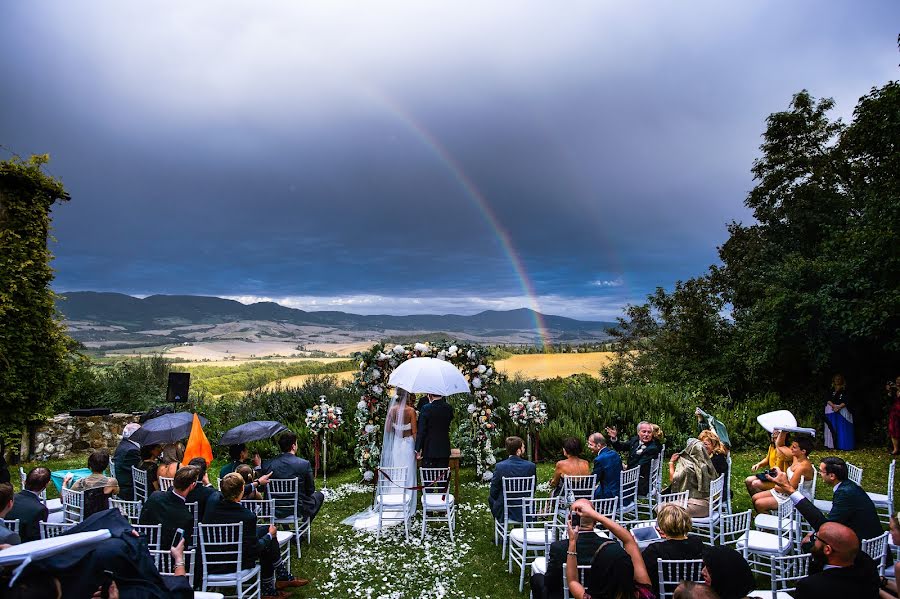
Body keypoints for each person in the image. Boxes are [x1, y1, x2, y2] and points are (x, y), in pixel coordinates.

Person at [204, 472, 308, 598]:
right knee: (268, 538)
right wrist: (270, 536)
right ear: (241, 490)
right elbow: (255, 548)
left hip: (212, 560)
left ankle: (281, 576)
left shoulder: (212, 501)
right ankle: (270, 587)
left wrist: (257, 483)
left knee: (265, 530)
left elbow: (230, 491)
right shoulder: (247, 516)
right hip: (236, 562)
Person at [343, 390, 418, 530]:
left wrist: (397, 427)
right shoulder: (411, 411)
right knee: (408, 473)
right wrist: (418, 449)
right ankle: (407, 504)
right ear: (407, 397)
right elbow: (414, 432)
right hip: (407, 445)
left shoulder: (392, 410)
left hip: (396, 444)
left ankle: (395, 499)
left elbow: (388, 429)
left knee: (397, 472)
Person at [768, 460, 883, 551]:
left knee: (810, 545)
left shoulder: (844, 493)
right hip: (863, 537)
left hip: (864, 547)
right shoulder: (848, 486)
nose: (819, 474)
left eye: (821, 471)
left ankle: (822, 576)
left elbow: (827, 527)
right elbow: (836, 520)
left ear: (832, 476)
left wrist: (788, 488)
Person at [565, 498, 654, 599]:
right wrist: (595, 515)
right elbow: (629, 540)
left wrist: (572, 542)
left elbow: (572, 581)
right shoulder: (644, 594)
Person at [531, 505, 605, 599]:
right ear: (595, 521)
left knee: (537, 578)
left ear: (570, 519)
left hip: (563, 595)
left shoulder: (559, 547)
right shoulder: (608, 547)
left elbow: (550, 582)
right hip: (597, 595)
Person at [794, 522, 880, 598]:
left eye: (816, 538)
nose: (813, 541)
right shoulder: (868, 565)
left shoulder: (810, 587)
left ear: (827, 550)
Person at [641, 503, 705, 596]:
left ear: (662, 526)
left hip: (663, 593)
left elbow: (643, 574)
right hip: (692, 591)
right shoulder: (697, 542)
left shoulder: (655, 550)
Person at [263, 431, 325, 521]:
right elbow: (310, 490)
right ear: (293, 446)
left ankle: (287, 528)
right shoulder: (303, 464)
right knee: (319, 496)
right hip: (297, 509)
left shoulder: (268, 464)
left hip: (274, 508)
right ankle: (302, 530)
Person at [751, 433, 814, 513]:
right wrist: (783, 431)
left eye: (794, 447)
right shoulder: (796, 457)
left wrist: (776, 483)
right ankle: (768, 517)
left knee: (759, 503)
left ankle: (771, 522)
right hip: (785, 490)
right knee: (754, 497)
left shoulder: (802, 467)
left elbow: (790, 489)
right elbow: (780, 445)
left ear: (803, 451)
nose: (791, 449)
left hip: (795, 497)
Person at [139, 465, 198, 548]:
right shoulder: (186, 517)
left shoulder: (155, 496)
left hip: (143, 547)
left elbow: (142, 520)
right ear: (192, 485)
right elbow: (181, 546)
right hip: (167, 556)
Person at [606, 421, 662, 496]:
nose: (646, 434)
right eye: (644, 432)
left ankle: (617, 503)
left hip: (640, 482)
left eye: (649, 432)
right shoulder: (635, 440)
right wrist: (614, 438)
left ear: (652, 434)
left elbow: (639, 466)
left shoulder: (652, 448)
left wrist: (624, 467)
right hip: (632, 475)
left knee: (612, 481)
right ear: (638, 432)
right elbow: (621, 447)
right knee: (609, 477)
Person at [488, 436, 537, 523]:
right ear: (518, 451)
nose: (524, 449)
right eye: (523, 447)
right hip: (525, 507)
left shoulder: (500, 466)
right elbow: (533, 489)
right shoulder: (531, 466)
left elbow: (493, 491)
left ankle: (501, 522)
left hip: (506, 508)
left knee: (491, 498)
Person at [668, 438, 718, 518]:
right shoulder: (708, 465)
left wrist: (671, 463)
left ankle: (671, 528)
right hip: (710, 504)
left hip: (696, 504)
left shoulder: (687, 467)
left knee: (662, 508)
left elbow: (673, 480)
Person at [7, 466, 51, 542]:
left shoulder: (9, 498)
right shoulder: (40, 509)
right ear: (46, 485)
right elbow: (37, 537)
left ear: (25, 482)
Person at [744, 429, 791, 496]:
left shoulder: (786, 450)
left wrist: (779, 445)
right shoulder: (771, 446)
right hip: (771, 474)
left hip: (779, 480)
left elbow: (785, 456)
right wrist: (759, 464)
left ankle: (764, 502)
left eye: (776, 437)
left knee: (755, 483)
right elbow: (767, 459)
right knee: (748, 480)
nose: (774, 439)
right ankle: (756, 500)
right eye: (773, 437)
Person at [415, 392, 454, 468]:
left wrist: (418, 448)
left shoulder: (426, 408)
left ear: (430, 395)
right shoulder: (448, 407)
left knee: (429, 476)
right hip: (444, 447)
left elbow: (422, 430)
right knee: (442, 476)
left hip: (429, 447)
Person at [824, 373, 855, 450]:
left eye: (839, 378)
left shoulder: (846, 389)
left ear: (842, 380)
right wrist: (833, 406)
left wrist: (839, 407)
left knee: (842, 428)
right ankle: (832, 445)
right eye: (836, 378)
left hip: (843, 410)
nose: (837, 380)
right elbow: (827, 398)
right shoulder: (831, 389)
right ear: (833, 380)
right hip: (831, 409)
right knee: (832, 428)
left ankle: (844, 445)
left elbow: (848, 400)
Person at [588, 432, 622, 500]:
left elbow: (592, 481)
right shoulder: (614, 453)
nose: (588, 446)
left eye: (590, 444)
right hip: (620, 493)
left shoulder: (599, 460)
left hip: (608, 498)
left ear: (598, 445)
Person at [113, 422, 142, 501]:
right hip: (127, 487)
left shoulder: (124, 443)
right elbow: (138, 470)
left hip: (121, 479)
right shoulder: (132, 450)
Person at [887, 376, 900, 456]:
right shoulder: (894, 390)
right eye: (897, 380)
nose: (898, 382)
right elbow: (890, 400)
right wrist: (889, 391)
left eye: (899, 380)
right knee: (893, 429)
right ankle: (895, 449)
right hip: (894, 411)